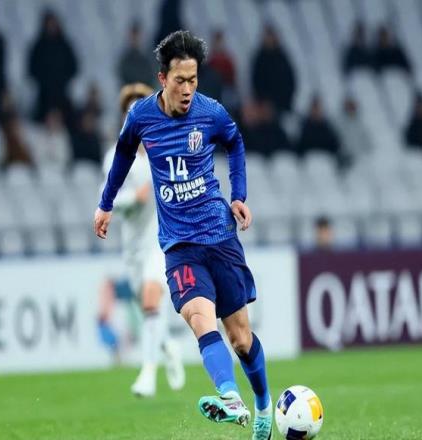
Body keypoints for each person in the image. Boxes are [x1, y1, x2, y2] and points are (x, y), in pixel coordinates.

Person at [94, 31, 273, 439]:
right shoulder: (141, 117)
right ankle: (230, 397)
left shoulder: (211, 112)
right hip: (179, 247)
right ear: (163, 79)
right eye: (180, 81)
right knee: (198, 317)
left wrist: (239, 195)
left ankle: (263, 404)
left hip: (220, 237)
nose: (188, 89)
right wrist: (106, 203)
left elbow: (235, 143)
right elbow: (123, 155)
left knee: (240, 338)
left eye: (193, 80)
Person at [98, 82, 185, 398]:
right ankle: (168, 346)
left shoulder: (165, 152)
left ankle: (148, 373)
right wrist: (135, 197)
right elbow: (106, 199)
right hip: (132, 247)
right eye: (129, 110)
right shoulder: (116, 157)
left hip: (162, 241)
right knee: (149, 308)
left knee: (151, 298)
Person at [28, 9, 78, 124]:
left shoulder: (64, 44)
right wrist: (43, 80)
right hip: (44, 93)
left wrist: (63, 79)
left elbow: (73, 66)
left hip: (61, 91)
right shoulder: (39, 45)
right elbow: (32, 68)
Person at [251, 24, 296, 114]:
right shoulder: (260, 58)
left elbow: (290, 80)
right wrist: (263, 101)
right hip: (265, 107)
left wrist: (286, 99)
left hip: (282, 104)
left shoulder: (282, 57)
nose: (269, 39)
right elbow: (256, 81)